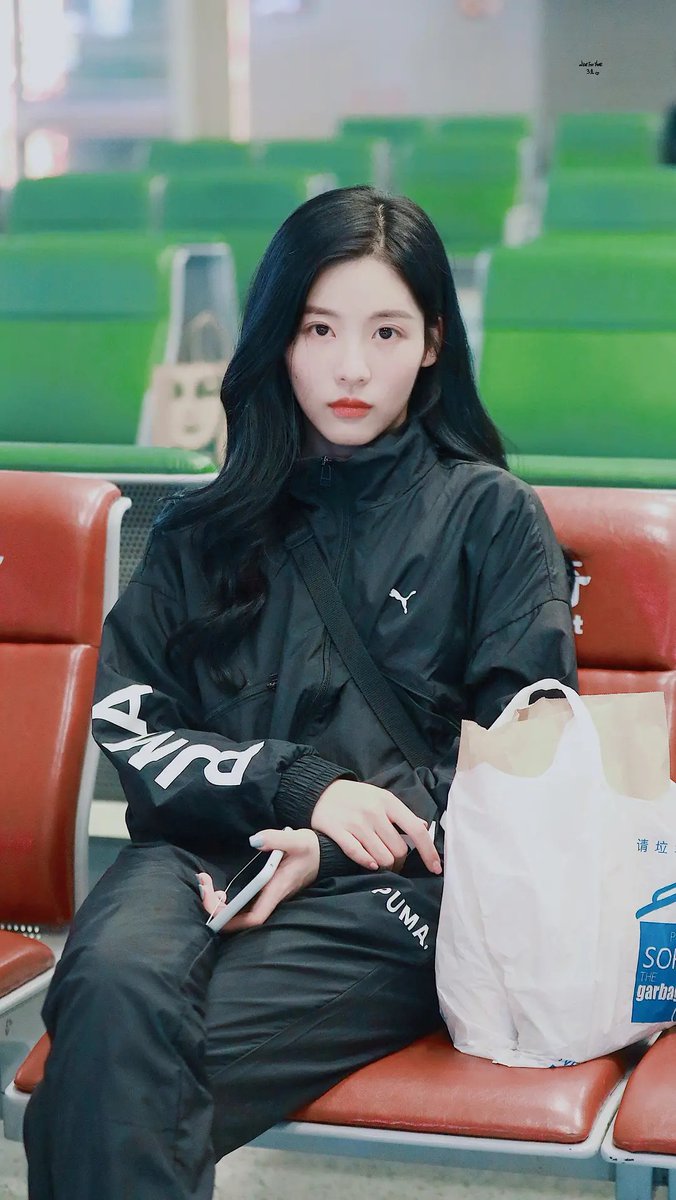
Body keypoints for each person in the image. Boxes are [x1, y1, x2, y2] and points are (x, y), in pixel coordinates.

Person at [24, 185, 578, 1199]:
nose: (351, 366)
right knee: (107, 989)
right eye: (319, 329)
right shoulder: (203, 527)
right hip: (194, 851)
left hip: (394, 893)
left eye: (385, 331)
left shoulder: (491, 518)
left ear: (433, 343)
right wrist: (295, 786)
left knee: (117, 1080)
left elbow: (524, 769)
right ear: (278, 338)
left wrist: (335, 838)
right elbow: (131, 721)